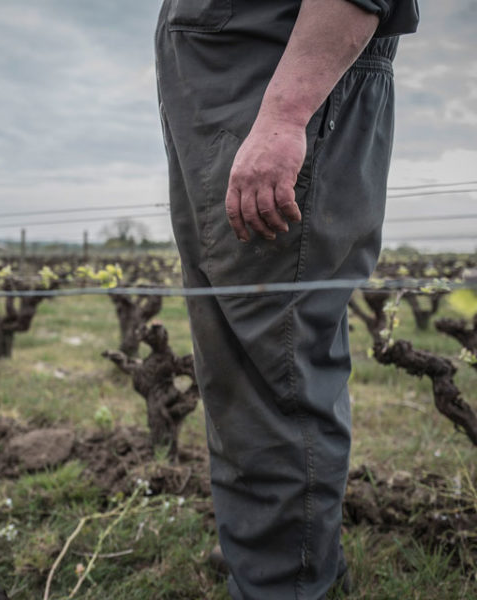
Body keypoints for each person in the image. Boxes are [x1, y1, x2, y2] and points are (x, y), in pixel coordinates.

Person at [154, 1, 419, 598]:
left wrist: (283, 116)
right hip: (228, 117)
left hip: (276, 104)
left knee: (276, 370)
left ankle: (286, 585)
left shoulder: (281, 111)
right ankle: (285, 562)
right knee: (237, 373)